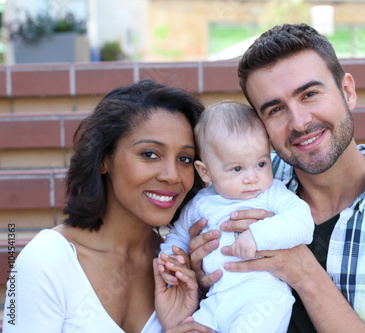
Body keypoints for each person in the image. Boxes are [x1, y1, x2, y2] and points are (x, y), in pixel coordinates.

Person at [188, 23, 365, 333]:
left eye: (310, 94)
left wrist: (303, 272)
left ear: (347, 91)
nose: (299, 122)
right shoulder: (237, 185)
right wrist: (199, 280)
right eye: (275, 109)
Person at [2, 80, 214, 333]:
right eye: (150, 154)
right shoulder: (46, 259)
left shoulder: (178, 268)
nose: (172, 175)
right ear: (104, 159)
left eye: (184, 159)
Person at [159, 101, 315, 332]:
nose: (252, 177)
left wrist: (258, 236)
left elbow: (302, 222)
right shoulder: (201, 203)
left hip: (261, 296)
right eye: (237, 169)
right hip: (215, 299)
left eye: (261, 163)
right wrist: (171, 261)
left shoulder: (272, 192)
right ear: (206, 171)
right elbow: (179, 237)